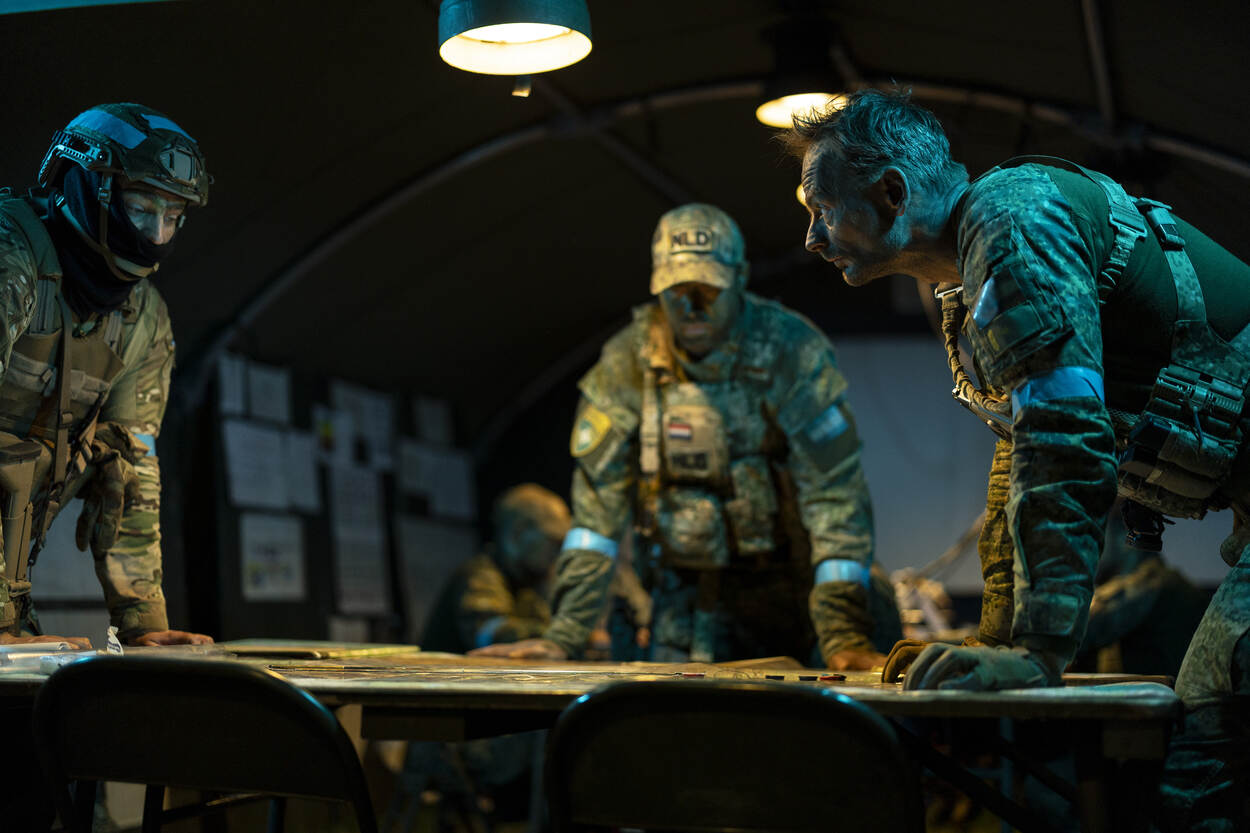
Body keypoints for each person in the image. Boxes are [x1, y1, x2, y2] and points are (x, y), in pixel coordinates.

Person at [787, 87, 1250, 829]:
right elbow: (1020, 451)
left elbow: (1064, 438)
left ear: (892, 194)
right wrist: (997, 640)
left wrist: (1036, 649)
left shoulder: (1015, 222)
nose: (812, 237)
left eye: (823, 209)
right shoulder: (976, 264)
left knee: (1205, 771)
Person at [475, 203, 901, 669]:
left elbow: (835, 497)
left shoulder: (791, 352)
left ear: (739, 278)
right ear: (657, 285)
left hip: (794, 604)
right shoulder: (625, 366)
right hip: (681, 609)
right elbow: (596, 522)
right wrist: (564, 637)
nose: (693, 306)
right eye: (678, 289)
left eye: (708, 288)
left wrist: (842, 634)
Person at [0, 103, 214, 649]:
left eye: (172, 217)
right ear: (83, 185)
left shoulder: (142, 318)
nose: (156, 235)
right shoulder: (10, 256)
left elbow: (131, 466)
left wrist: (144, 622)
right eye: (140, 208)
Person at [421, 483, 570, 653]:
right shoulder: (479, 574)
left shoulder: (528, 584)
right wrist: (568, 637)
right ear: (518, 534)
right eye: (554, 542)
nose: (559, 553)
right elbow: (492, 633)